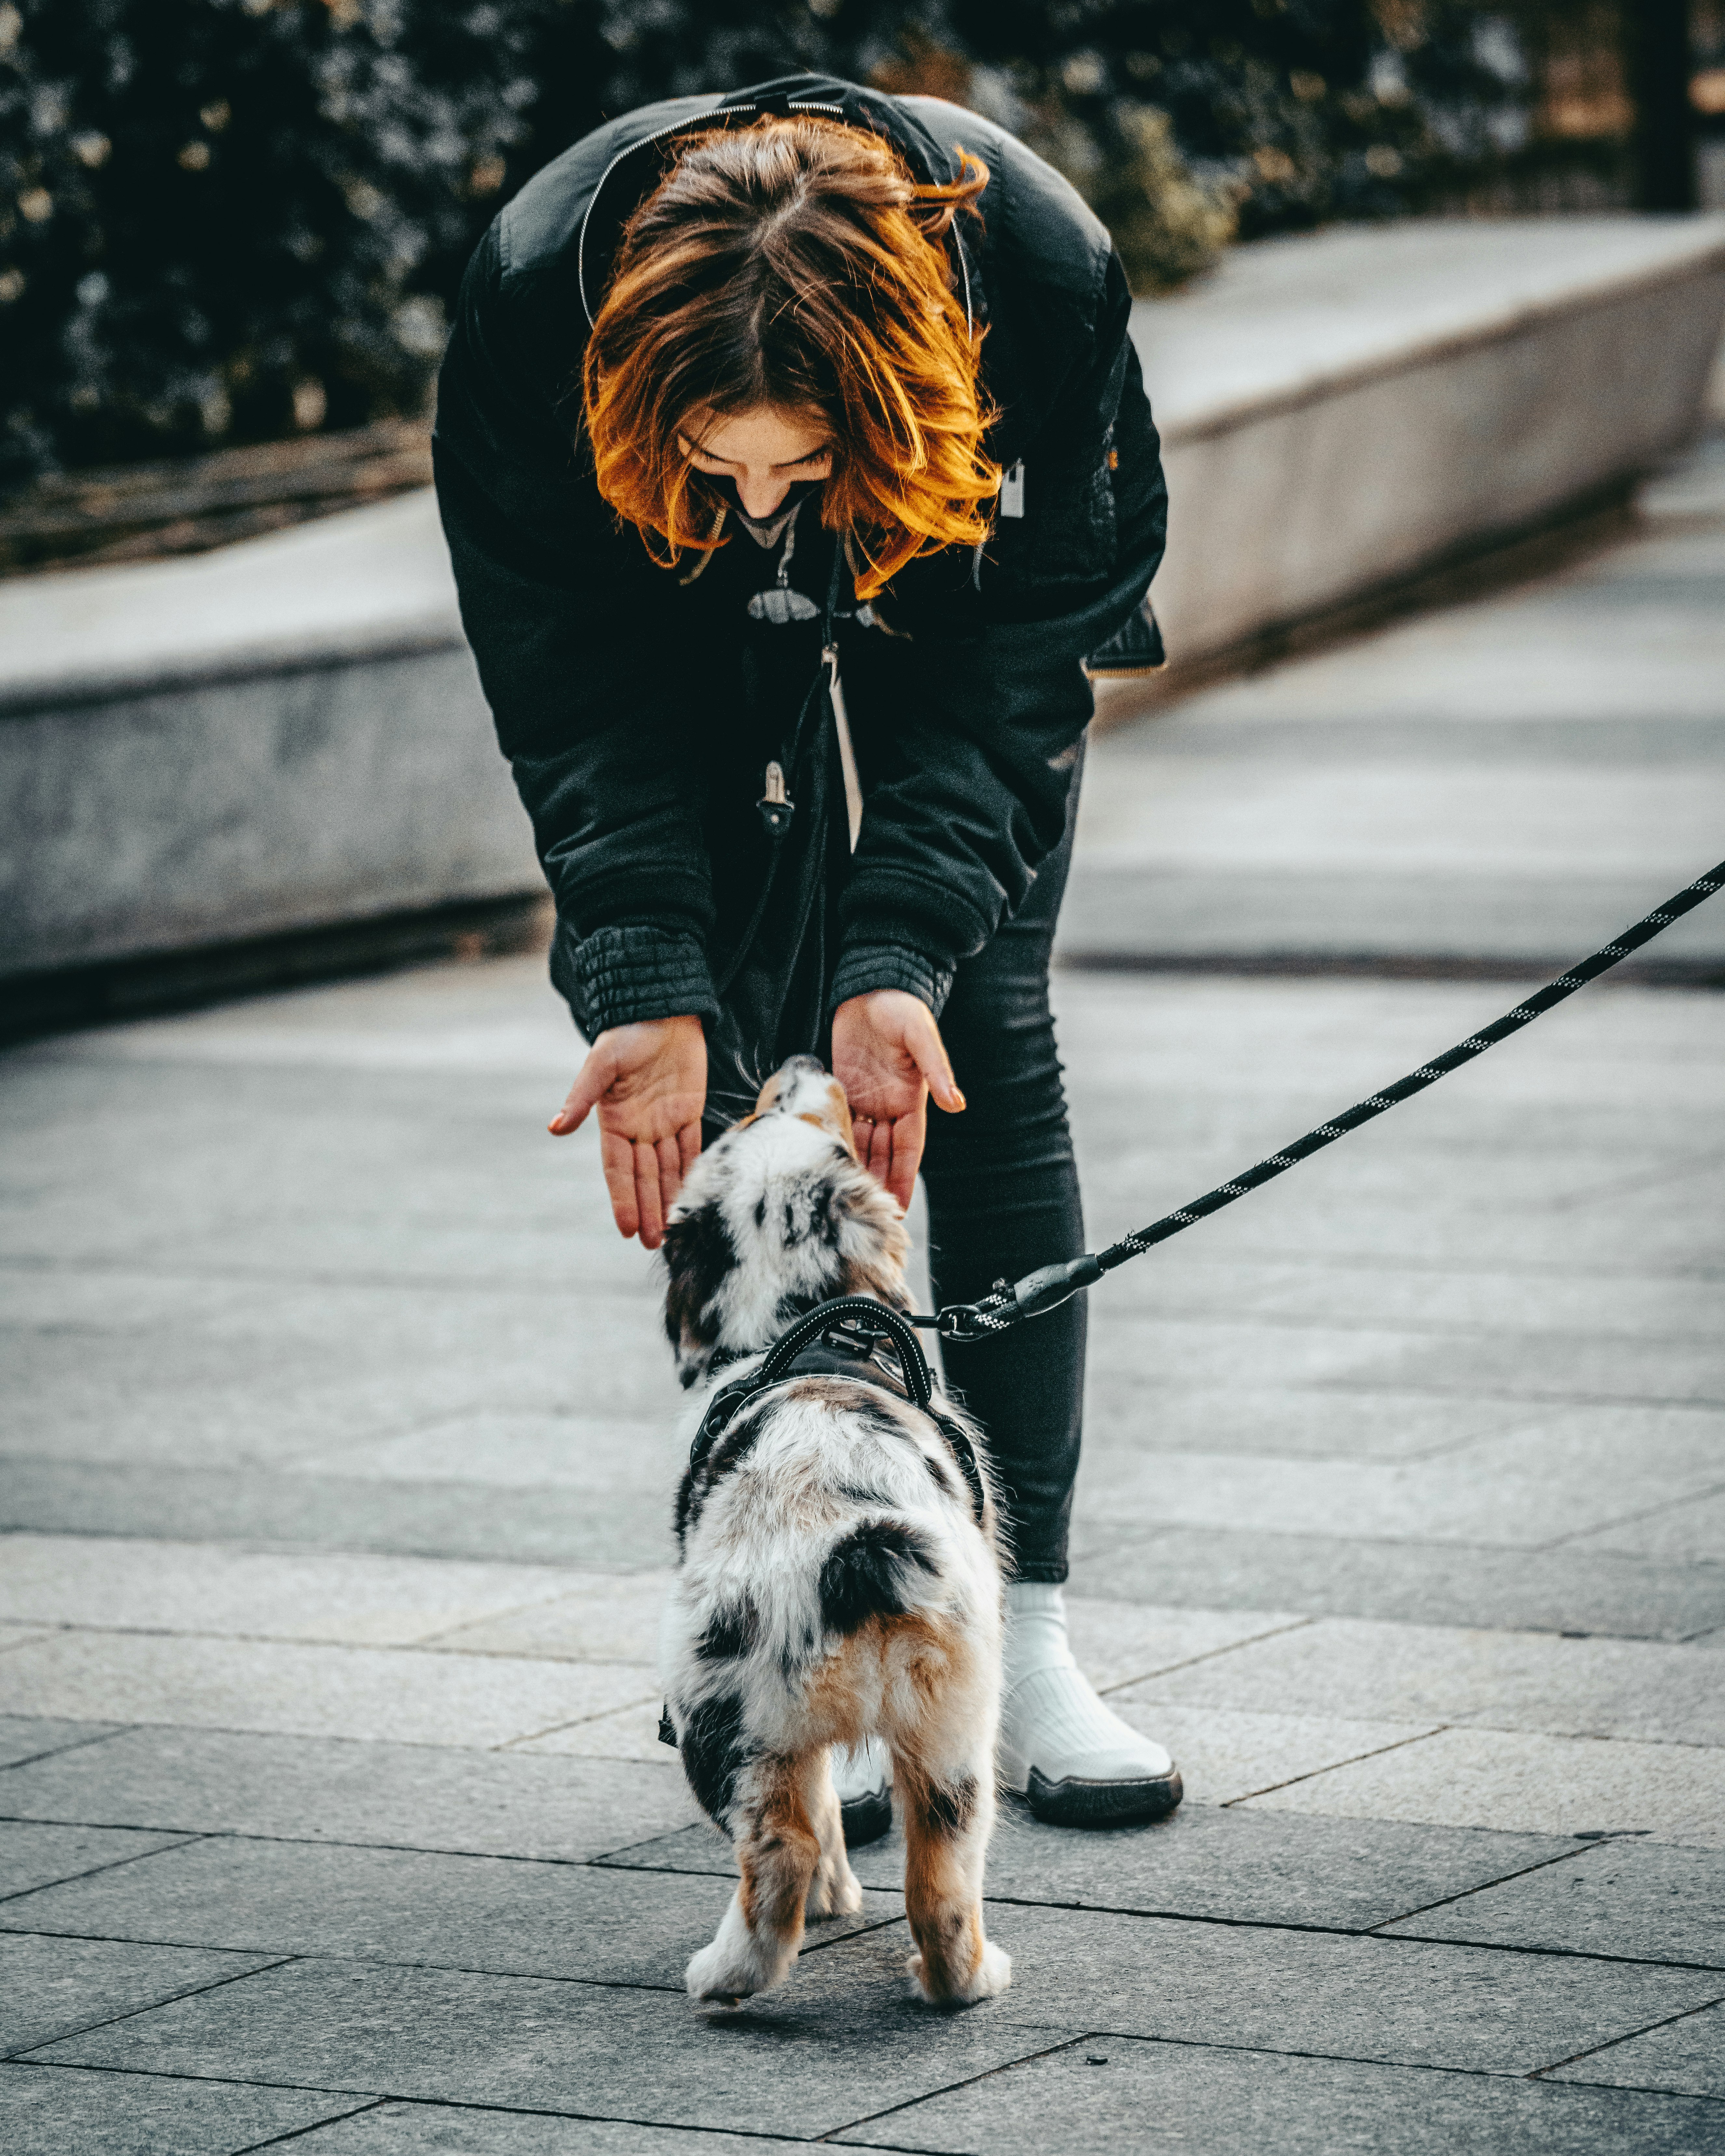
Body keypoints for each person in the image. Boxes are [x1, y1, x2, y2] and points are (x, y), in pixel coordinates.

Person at [434, 73, 1179, 1831]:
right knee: (734, 1048)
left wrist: (901, 954)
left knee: (959, 1030)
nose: (761, 492)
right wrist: (641, 976)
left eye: (789, 457)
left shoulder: (1041, 279)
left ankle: (1021, 1632)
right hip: (653, 596)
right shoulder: (539, 302)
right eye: (725, 455)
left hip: (954, 553)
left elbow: (1016, 678)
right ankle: (781, 1631)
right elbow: (571, 687)